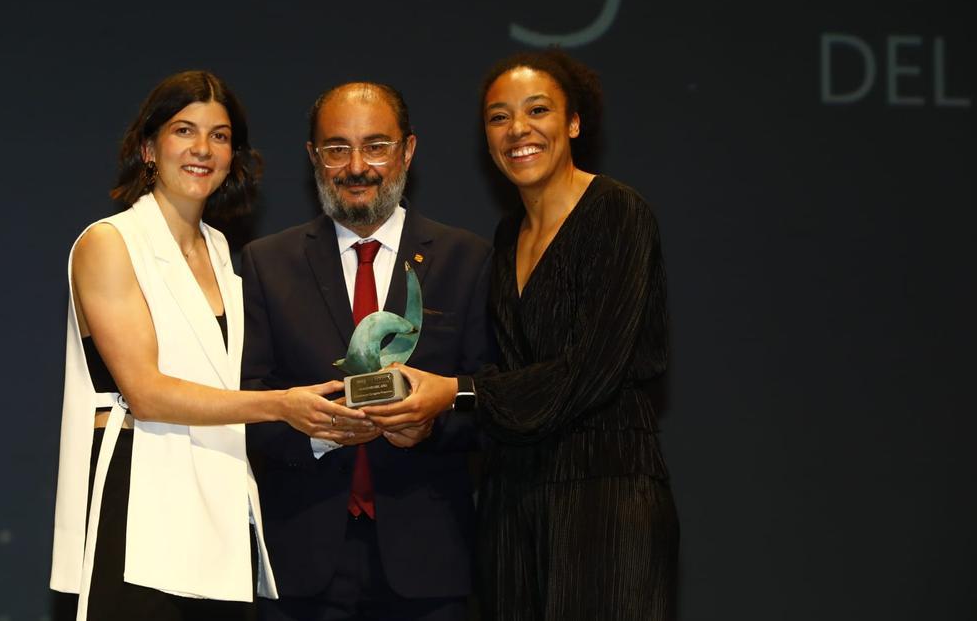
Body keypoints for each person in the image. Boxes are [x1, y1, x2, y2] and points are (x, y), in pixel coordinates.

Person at [364, 50, 680, 620]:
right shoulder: (507, 236)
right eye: (498, 117)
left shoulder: (619, 214)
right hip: (512, 501)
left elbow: (591, 369)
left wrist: (458, 393)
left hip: (604, 494)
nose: (518, 130)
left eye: (538, 110)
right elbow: (505, 369)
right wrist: (426, 414)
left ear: (574, 123)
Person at [49, 70, 363, 621]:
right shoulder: (109, 242)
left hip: (219, 504)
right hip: (141, 496)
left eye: (219, 136)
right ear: (148, 147)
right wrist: (282, 406)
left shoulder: (221, 250)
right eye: (183, 131)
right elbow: (146, 393)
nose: (202, 149)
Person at [240, 81, 494, 621]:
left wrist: (432, 423)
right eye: (337, 148)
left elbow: (495, 401)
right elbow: (245, 401)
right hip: (303, 563)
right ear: (313, 157)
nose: (357, 166)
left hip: (429, 564)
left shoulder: (465, 259)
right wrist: (308, 431)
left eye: (376, 146)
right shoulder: (267, 263)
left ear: (408, 151)